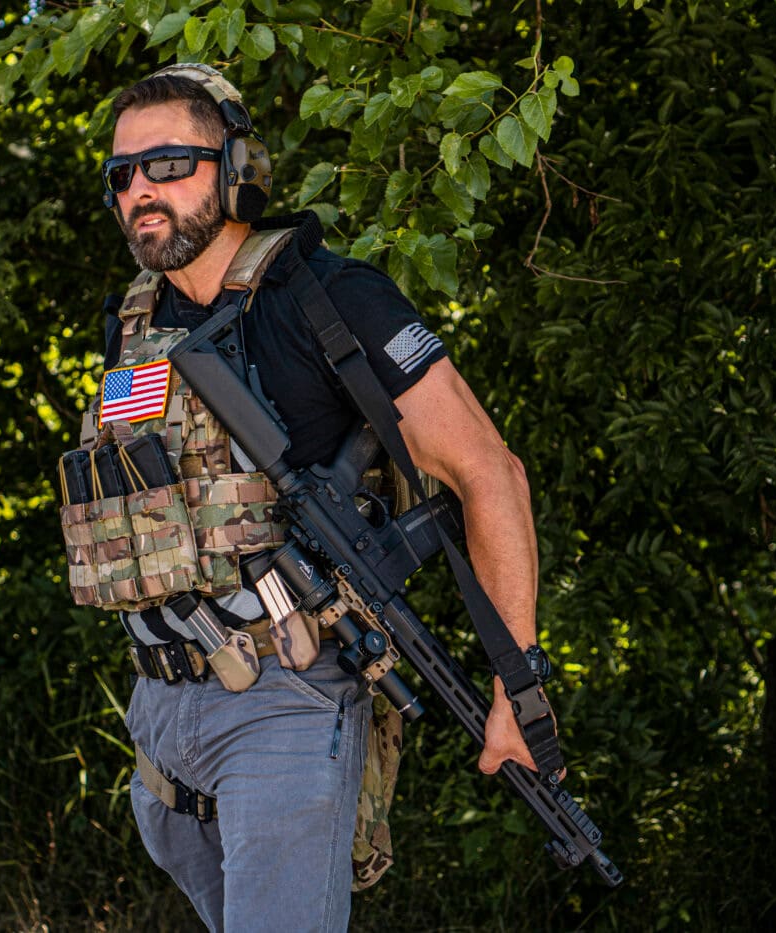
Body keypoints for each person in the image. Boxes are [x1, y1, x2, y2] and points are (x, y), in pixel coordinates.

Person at [61, 62, 556, 932]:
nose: (141, 189)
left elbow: (489, 472)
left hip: (285, 701)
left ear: (238, 165)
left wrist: (517, 686)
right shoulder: (131, 322)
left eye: (169, 163)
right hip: (161, 711)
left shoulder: (330, 299)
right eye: (122, 173)